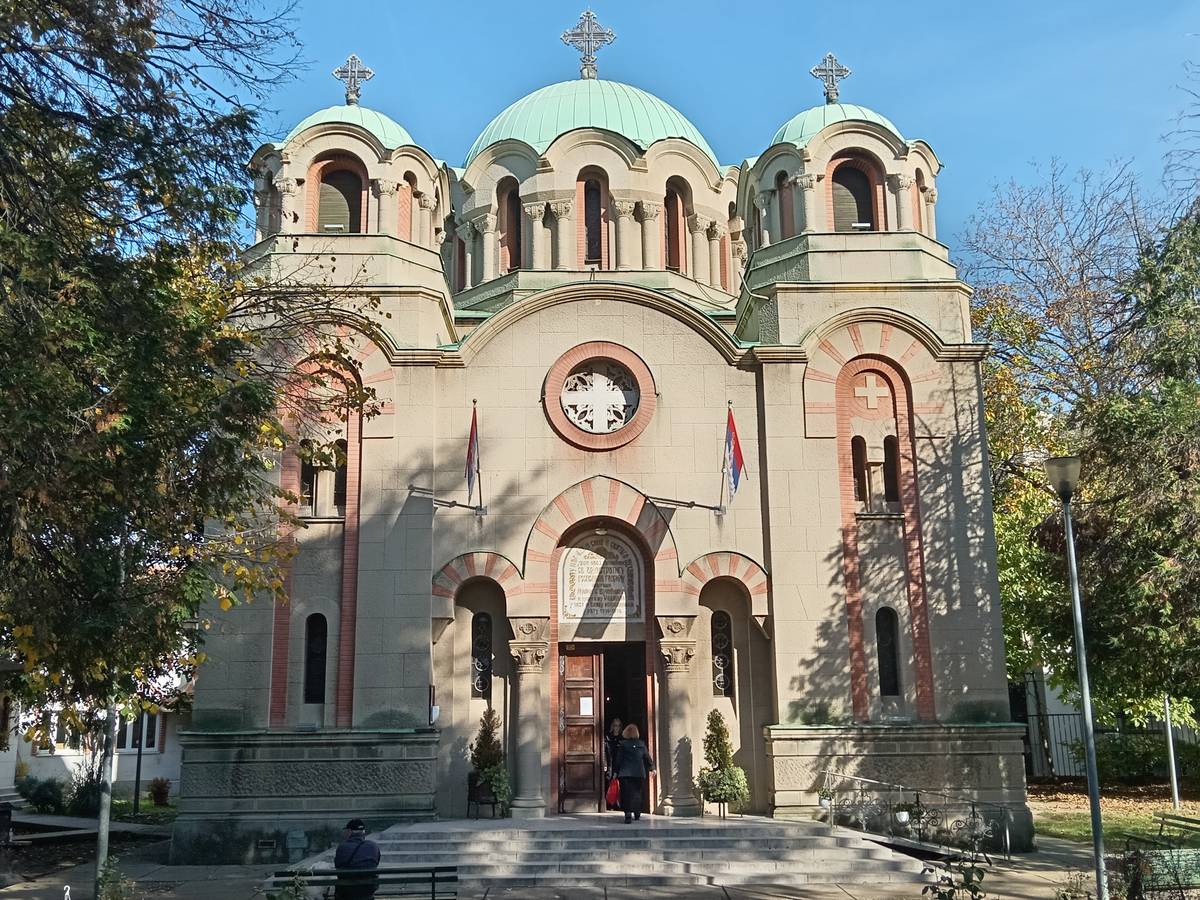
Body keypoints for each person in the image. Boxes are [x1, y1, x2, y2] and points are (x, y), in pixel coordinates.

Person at [613, 723, 654, 824]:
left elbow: (619, 759)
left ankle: (627, 814)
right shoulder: (641, 744)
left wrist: (615, 772)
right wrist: (652, 768)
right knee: (637, 793)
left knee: (626, 794)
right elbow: (647, 757)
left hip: (625, 773)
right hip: (638, 773)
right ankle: (637, 812)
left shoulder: (623, 745)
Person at [333, 818, 381, 899]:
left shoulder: (342, 847)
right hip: (367, 890)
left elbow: (338, 865)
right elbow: (376, 863)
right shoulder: (373, 846)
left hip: (346, 891)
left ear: (350, 832)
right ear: (364, 832)